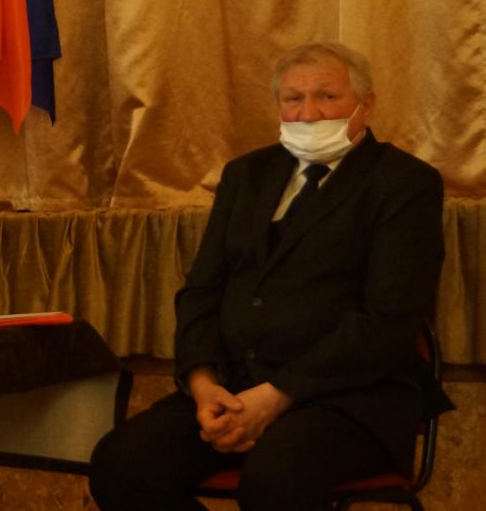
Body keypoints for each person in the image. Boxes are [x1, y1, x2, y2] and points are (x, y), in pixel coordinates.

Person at [89, 43, 450, 510]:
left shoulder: (405, 183)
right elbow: (202, 292)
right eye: (293, 99)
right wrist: (203, 386)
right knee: (121, 465)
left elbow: (389, 319)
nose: (308, 113)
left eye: (327, 97)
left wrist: (277, 396)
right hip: (234, 387)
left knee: (276, 480)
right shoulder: (246, 175)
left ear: (366, 105)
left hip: (348, 399)